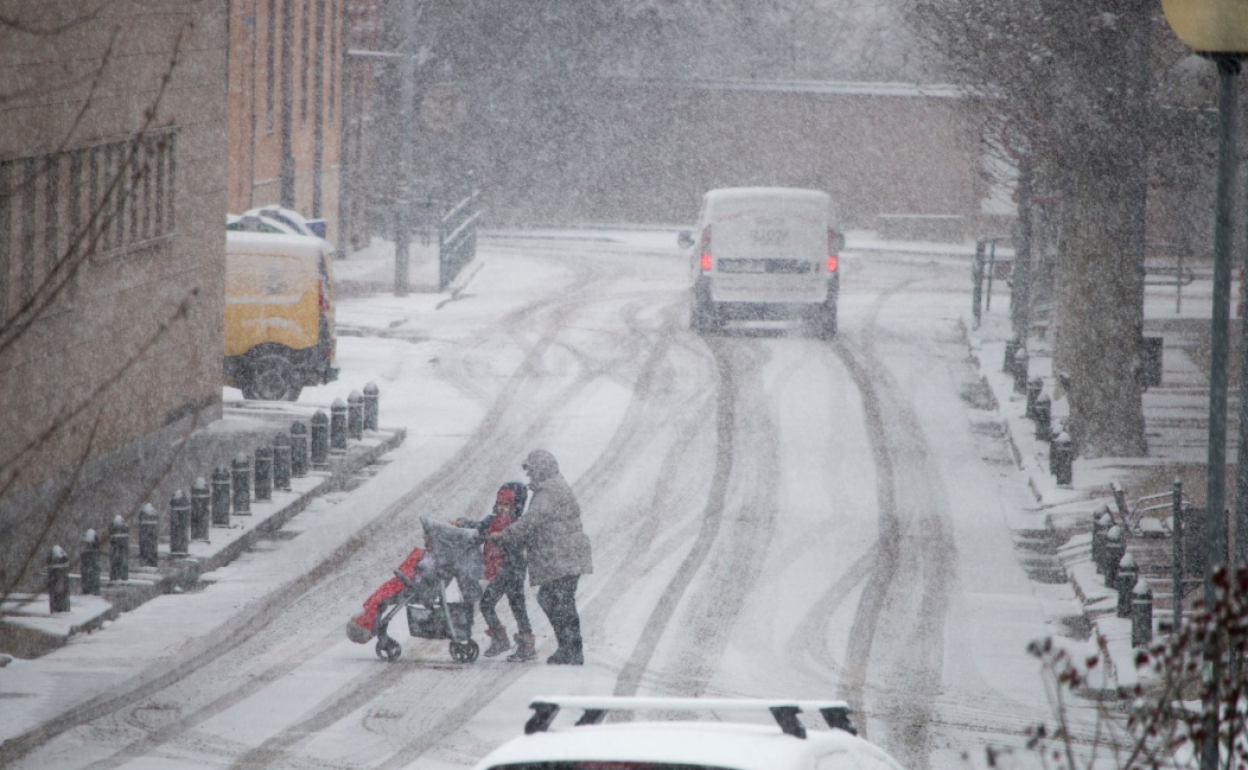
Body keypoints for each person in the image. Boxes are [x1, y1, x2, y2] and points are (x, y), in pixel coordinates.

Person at [491, 449, 592, 665]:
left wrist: (506, 534)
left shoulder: (549, 492)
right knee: (558, 600)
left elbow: (533, 519)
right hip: (565, 554)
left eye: (531, 469)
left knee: (557, 600)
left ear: (540, 469)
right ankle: (569, 648)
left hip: (562, 554)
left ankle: (571, 649)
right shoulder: (553, 486)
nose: (528, 475)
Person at [455, 482, 535, 661]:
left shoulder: (517, 525)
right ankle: (523, 642)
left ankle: (507, 640)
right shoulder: (491, 520)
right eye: (500, 503)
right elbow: (478, 528)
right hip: (502, 571)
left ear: (516, 506)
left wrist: (499, 539)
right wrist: (464, 524)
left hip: (510, 571)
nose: (502, 508)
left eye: (506, 505)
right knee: (515, 607)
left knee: (491, 604)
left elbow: (514, 542)